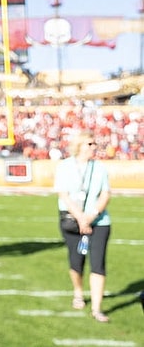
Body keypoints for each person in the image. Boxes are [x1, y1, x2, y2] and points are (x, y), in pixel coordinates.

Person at [53, 131, 111, 322]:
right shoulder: (65, 167)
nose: (94, 147)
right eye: (89, 144)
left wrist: (91, 215)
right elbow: (63, 194)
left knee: (98, 264)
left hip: (99, 222)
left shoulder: (100, 168)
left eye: (94, 144)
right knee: (76, 261)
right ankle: (78, 291)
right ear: (79, 146)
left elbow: (105, 194)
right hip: (72, 221)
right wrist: (80, 218)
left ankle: (97, 308)